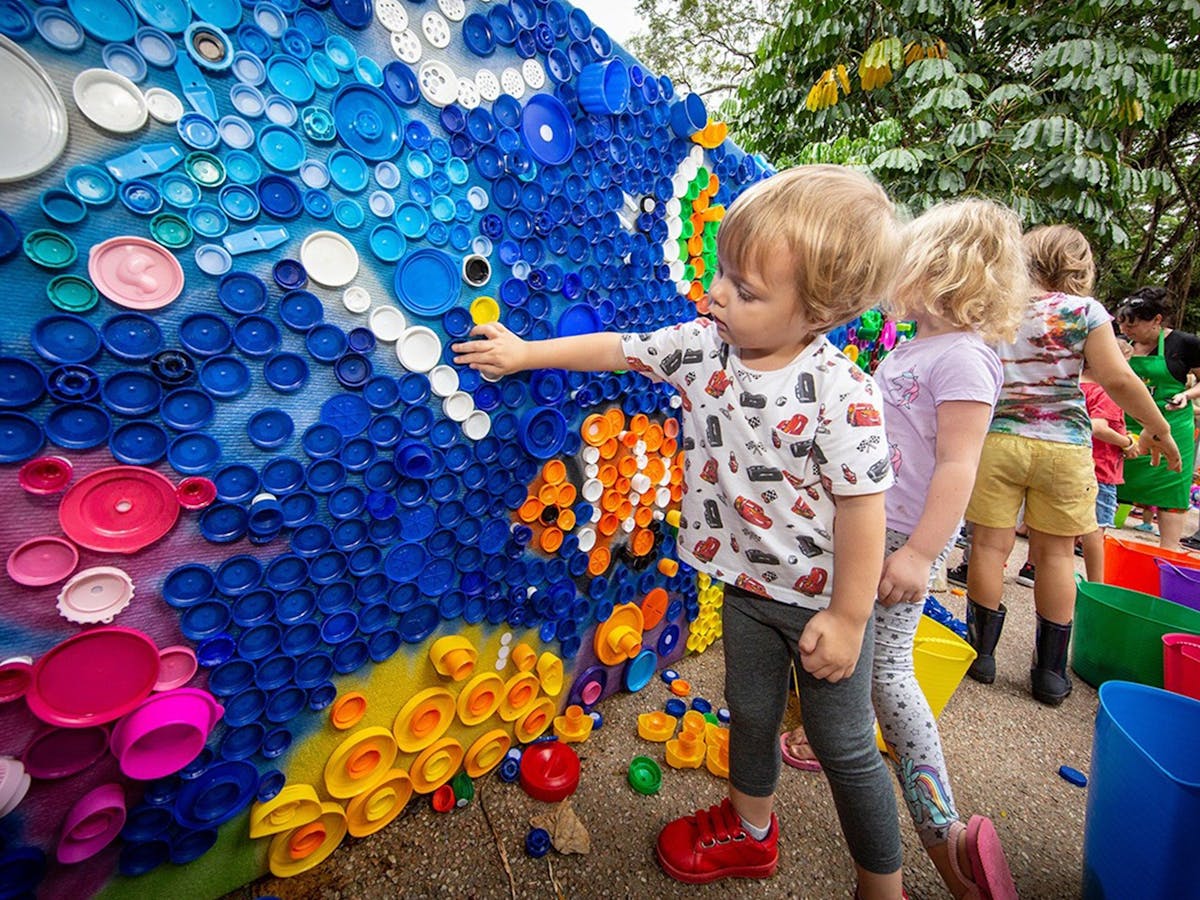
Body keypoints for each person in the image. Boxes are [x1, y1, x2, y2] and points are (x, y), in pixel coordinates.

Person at [455, 165, 907, 897]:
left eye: (745, 289)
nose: (714, 293)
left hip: (826, 601)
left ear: (820, 313)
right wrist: (526, 353)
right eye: (722, 273)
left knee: (846, 745)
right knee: (752, 716)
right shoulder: (704, 346)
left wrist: (852, 617)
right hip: (746, 586)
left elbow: (864, 511)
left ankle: (882, 885)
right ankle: (753, 832)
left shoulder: (842, 394)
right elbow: (620, 348)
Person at [780, 198, 1024, 899]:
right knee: (834, 638)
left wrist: (920, 553)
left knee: (887, 671)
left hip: (899, 535)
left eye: (901, 264)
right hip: (871, 524)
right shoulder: (916, 348)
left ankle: (943, 831)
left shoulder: (967, 357)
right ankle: (819, 735)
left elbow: (958, 466)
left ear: (937, 270)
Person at [963, 226, 1181, 706]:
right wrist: (1159, 430)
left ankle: (978, 656)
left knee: (988, 544)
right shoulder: (1085, 312)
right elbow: (1118, 379)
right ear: (1077, 266)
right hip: (1064, 448)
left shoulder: (998, 308)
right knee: (1058, 555)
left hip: (998, 441)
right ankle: (1049, 674)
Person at [1114, 287, 1200, 551]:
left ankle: (1168, 551)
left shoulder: (1185, 344)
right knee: (1109, 480)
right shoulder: (1118, 344)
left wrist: (1187, 394)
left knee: (1170, 488)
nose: (1127, 330)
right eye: (1122, 324)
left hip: (1172, 427)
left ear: (1158, 320)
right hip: (1125, 425)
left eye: (1134, 325)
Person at [1079, 362, 1134, 581]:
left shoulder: (1074, 386)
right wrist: (1127, 442)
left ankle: (1032, 567)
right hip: (1100, 469)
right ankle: (1097, 582)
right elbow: (1099, 427)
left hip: (1072, 462)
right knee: (1096, 527)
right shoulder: (1105, 392)